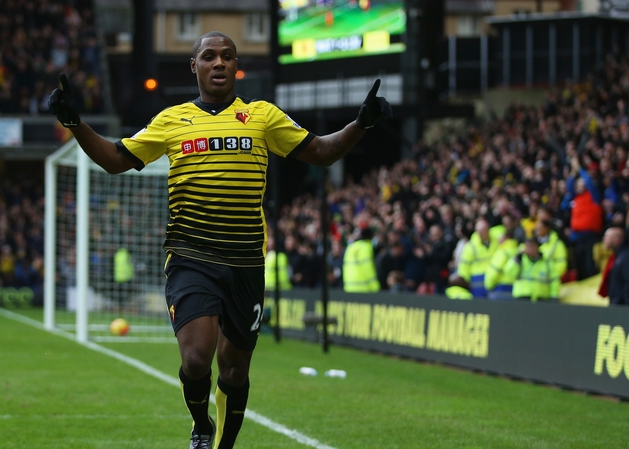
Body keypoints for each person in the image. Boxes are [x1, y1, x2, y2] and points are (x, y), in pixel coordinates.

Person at [48, 31, 391, 449]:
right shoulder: (172, 120)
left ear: (236, 65)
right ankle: (201, 426)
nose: (219, 63)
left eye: (227, 56)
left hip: (246, 261)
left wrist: (361, 123)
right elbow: (117, 159)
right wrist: (75, 123)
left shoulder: (263, 116)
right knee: (196, 359)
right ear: (194, 66)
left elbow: (320, 151)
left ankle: (223, 445)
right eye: (209, 56)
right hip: (191, 255)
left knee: (234, 371)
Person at [457, 218, 497, 299]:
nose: (481, 234)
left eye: (483, 230)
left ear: (488, 230)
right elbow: (464, 267)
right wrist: (464, 285)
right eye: (479, 231)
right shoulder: (470, 246)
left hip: (493, 281)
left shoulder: (496, 242)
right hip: (476, 283)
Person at [504, 237, 553, 302]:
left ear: (538, 247)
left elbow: (554, 280)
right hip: (521, 296)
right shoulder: (520, 259)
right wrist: (517, 258)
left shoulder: (546, 262)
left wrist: (554, 296)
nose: (530, 249)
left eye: (532, 246)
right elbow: (509, 272)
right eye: (528, 246)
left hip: (541, 297)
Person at [343, 227, 380, 293]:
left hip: (349, 287)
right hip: (363, 288)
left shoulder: (351, 246)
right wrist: (375, 287)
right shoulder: (365, 247)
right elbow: (367, 268)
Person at [599, 227, 629, 305]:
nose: (603, 239)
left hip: (621, 306)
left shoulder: (625, 257)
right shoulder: (616, 256)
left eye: (607, 237)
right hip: (616, 303)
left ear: (617, 239)